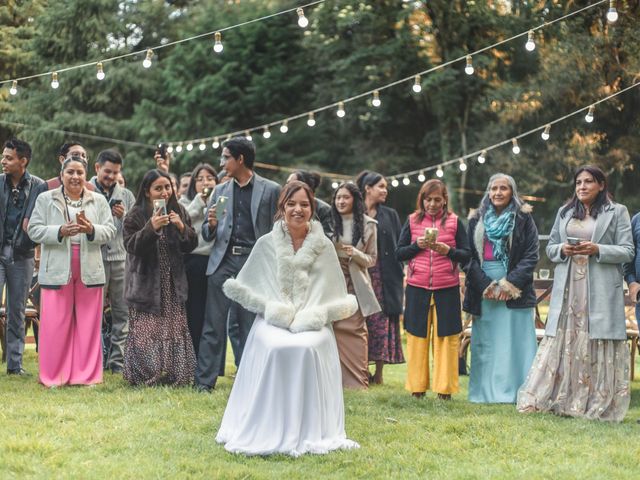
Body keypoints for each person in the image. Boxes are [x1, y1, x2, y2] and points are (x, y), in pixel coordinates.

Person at [216, 181, 359, 456]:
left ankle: (311, 426)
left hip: (312, 318)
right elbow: (253, 285)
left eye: (304, 204)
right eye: (291, 204)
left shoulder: (324, 246)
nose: (298, 210)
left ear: (312, 208)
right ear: (282, 207)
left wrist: (311, 314)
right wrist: (276, 310)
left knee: (307, 346)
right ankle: (266, 422)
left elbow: (332, 292)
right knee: (276, 345)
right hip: (273, 317)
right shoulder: (266, 243)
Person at [518, 166, 633, 422]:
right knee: (566, 339)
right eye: (578, 182)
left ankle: (595, 400)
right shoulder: (565, 212)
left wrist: (597, 249)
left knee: (596, 338)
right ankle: (562, 397)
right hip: (569, 288)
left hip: (600, 289)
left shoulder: (618, 212)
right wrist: (563, 250)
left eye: (589, 182)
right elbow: (551, 250)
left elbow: (627, 251)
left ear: (601, 185)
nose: (582, 186)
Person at [195, 137, 280, 392]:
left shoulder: (271, 189)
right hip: (223, 261)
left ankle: (250, 381)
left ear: (240, 159)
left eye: (225, 158)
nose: (221, 164)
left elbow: (278, 229)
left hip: (254, 264)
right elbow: (209, 233)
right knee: (213, 324)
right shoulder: (220, 192)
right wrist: (210, 225)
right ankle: (204, 382)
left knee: (249, 326)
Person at [28, 155, 116, 387]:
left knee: (88, 324)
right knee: (55, 323)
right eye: (70, 172)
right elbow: (34, 230)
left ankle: (85, 375)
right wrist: (59, 231)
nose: (75, 177)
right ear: (62, 174)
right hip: (57, 267)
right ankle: (54, 375)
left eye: (80, 173)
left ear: (86, 177)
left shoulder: (97, 200)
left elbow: (109, 231)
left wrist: (91, 230)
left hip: (90, 267)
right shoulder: (46, 198)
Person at [463, 173, 538, 403]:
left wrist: (509, 284)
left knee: (515, 341)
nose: (497, 193)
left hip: (515, 288)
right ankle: (484, 393)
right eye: (493, 188)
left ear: (512, 192)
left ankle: (518, 391)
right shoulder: (477, 219)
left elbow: (531, 255)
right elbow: (468, 257)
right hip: (483, 287)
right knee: (487, 342)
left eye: (503, 188)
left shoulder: (524, 219)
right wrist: (485, 285)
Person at [122, 169, 198, 386]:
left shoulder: (179, 210)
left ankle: (175, 374)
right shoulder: (136, 214)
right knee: (147, 330)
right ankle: (146, 375)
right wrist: (151, 227)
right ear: (147, 192)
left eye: (167, 187)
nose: (165, 192)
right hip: (145, 283)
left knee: (173, 327)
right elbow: (130, 246)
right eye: (158, 188)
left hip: (172, 281)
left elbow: (191, 244)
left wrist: (182, 227)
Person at [396, 179, 470, 399]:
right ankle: (417, 388)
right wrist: (415, 246)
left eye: (437, 199)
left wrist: (449, 251)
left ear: (445, 200)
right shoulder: (411, 221)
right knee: (417, 338)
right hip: (417, 287)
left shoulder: (455, 222)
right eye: (428, 199)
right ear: (422, 200)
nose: (432, 204)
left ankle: (444, 390)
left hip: (446, 288)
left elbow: (466, 254)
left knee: (446, 339)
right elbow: (399, 253)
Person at [0, 138, 45, 375]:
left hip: (23, 255)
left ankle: (14, 366)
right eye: (3, 156)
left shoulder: (39, 186)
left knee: (16, 311)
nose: (3, 161)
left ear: (23, 161)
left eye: (8, 157)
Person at [89, 149, 136, 374]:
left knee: (122, 313)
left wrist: (123, 216)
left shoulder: (126, 195)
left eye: (116, 173)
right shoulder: (86, 191)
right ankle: (93, 361)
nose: (111, 177)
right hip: (93, 258)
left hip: (120, 260)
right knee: (93, 314)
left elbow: (136, 229)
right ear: (97, 168)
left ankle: (117, 363)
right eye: (107, 171)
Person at [356, 170, 405, 385]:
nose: (385, 190)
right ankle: (360, 368)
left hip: (385, 276)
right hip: (361, 273)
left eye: (386, 187)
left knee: (382, 322)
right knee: (361, 320)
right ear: (368, 188)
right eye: (381, 186)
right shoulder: (354, 213)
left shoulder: (390, 215)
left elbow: (400, 245)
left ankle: (380, 373)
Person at [331, 182, 380, 389]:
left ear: (355, 200)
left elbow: (373, 259)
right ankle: (333, 378)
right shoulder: (330, 223)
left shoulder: (369, 225)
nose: (341, 201)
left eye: (346, 197)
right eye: (338, 197)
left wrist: (356, 253)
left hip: (356, 284)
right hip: (332, 283)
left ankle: (358, 381)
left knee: (357, 331)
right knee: (332, 330)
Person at [178, 163, 218, 357]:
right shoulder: (185, 202)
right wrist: (200, 200)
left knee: (212, 314)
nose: (205, 182)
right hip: (193, 260)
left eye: (210, 178)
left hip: (215, 260)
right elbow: (184, 219)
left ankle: (210, 361)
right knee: (194, 311)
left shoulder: (221, 201)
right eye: (200, 179)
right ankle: (192, 357)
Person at [286, 170, 333, 236]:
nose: (287, 186)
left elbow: (328, 236)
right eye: (287, 183)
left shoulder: (323, 209)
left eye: (292, 184)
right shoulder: (284, 204)